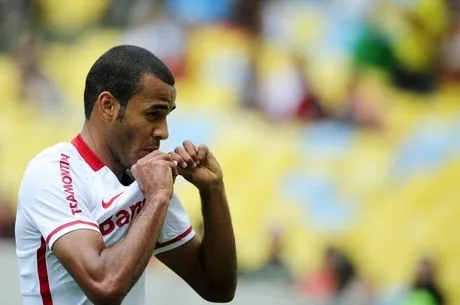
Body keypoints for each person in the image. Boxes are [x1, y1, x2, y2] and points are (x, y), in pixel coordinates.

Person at [15, 45, 237, 305]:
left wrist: (213, 190)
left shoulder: (143, 181)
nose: (164, 132)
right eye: (153, 114)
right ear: (108, 105)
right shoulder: (53, 171)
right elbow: (104, 286)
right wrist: (157, 197)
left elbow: (217, 288)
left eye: (166, 116)